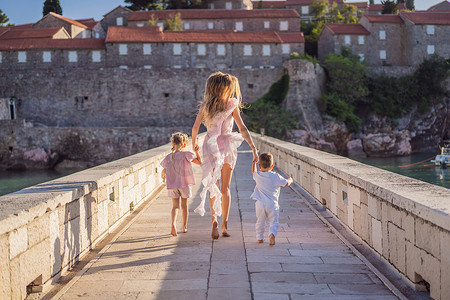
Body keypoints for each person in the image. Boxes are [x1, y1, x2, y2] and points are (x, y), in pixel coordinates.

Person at [192, 72, 258, 239]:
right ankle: (224, 225)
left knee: (213, 185)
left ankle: (214, 219)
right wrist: (253, 148)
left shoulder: (205, 106)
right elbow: (242, 128)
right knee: (225, 188)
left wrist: (194, 145)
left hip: (210, 146)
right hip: (227, 146)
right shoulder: (231, 105)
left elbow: (194, 129)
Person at [161, 132, 201, 237]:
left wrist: (164, 175)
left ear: (172, 144)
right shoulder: (187, 154)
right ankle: (184, 226)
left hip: (172, 185)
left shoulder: (169, 157)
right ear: (184, 144)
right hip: (185, 184)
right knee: (184, 206)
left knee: (175, 206)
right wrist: (197, 152)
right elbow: (199, 162)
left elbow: (163, 171)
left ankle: (173, 224)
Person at [251, 153, 293, 246]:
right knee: (274, 222)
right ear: (272, 166)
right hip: (272, 204)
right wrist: (290, 180)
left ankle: (259, 238)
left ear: (259, 166)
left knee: (260, 221)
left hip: (260, 204)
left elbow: (253, 171)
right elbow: (286, 183)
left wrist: (254, 162)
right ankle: (272, 235)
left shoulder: (258, 175)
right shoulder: (276, 176)